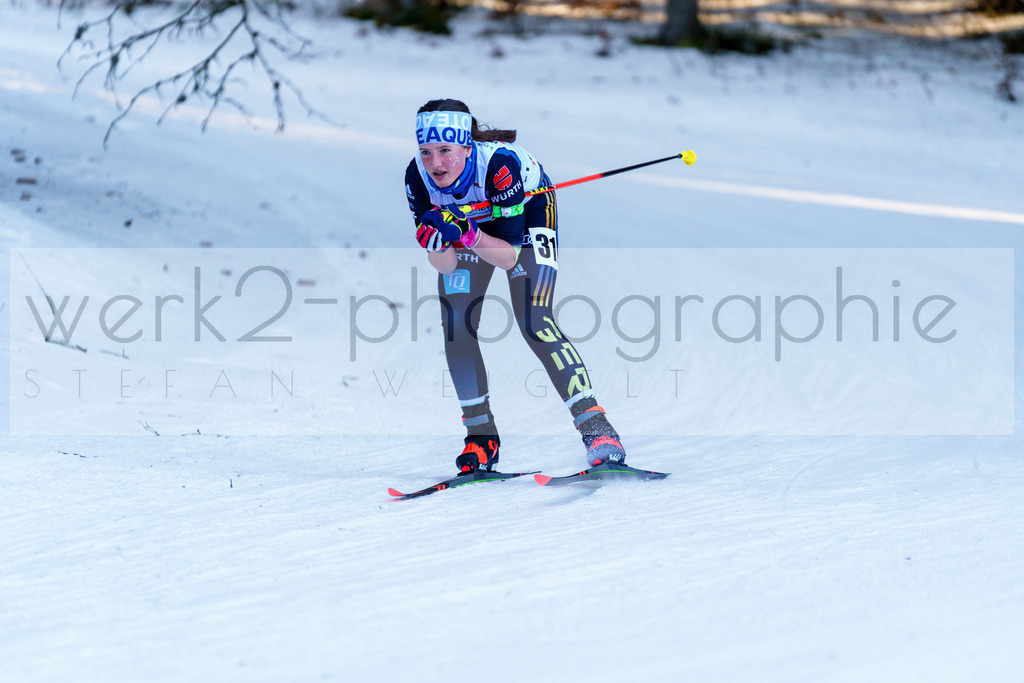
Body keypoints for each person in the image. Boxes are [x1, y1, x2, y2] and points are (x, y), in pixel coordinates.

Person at [406, 98, 626, 474]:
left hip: (528, 214)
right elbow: (446, 265)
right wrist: (437, 243)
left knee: (534, 319)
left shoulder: (500, 166)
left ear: (466, 147)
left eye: (445, 150)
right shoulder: (417, 177)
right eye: (426, 151)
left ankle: (597, 430)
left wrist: (468, 233)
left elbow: (508, 257)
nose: (435, 163)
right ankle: (481, 439)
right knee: (456, 324)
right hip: (474, 225)